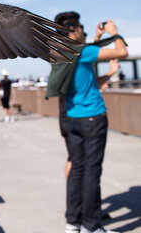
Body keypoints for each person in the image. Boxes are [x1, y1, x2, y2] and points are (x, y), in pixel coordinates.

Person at [47, 12, 127, 233]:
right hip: (93, 118)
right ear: (73, 29)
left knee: (77, 171)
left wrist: (98, 40)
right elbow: (122, 51)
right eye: (81, 27)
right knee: (92, 172)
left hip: (72, 119)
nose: (84, 30)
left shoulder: (60, 54)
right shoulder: (84, 52)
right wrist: (114, 33)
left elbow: (88, 74)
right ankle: (91, 226)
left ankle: (73, 222)